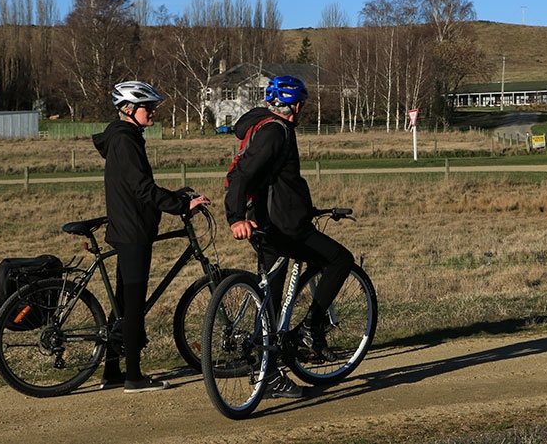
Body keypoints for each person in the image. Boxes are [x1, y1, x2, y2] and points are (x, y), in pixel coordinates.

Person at [225, 75, 355, 400]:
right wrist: (235, 217)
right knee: (340, 259)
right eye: (302, 104)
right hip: (282, 227)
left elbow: (279, 182)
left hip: (269, 222)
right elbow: (244, 173)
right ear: (295, 106)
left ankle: (270, 370)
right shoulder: (276, 131)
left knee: (271, 295)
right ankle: (311, 329)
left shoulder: (263, 125)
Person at [93, 81, 211, 393]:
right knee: (132, 306)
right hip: (132, 232)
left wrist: (174, 195)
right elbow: (142, 189)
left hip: (128, 226)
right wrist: (181, 204)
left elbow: (138, 187)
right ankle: (133, 376)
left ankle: (112, 371)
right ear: (129, 109)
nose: (154, 112)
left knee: (122, 304)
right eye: (149, 107)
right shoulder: (125, 141)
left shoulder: (123, 137)